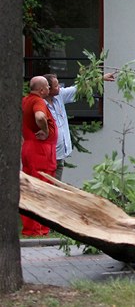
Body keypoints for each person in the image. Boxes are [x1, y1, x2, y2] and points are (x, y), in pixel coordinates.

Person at [43, 72, 115, 180]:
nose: (59, 87)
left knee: (56, 185)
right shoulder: (40, 104)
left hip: (60, 154)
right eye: (56, 86)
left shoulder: (59, 96)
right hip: (47, 155)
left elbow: (79, 88)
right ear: (48, 89)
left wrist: (100, 79)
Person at [21, 76, 58, 236]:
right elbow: (40, 117)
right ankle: (38, 228)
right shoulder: (38, 101)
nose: (49, 90)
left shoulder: (25, 100)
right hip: (41, 150)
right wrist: (46, 131)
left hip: (29, 147)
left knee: (30, 186)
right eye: (48, 87)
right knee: (41, 187)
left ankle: (32, 227)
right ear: (42, 90)